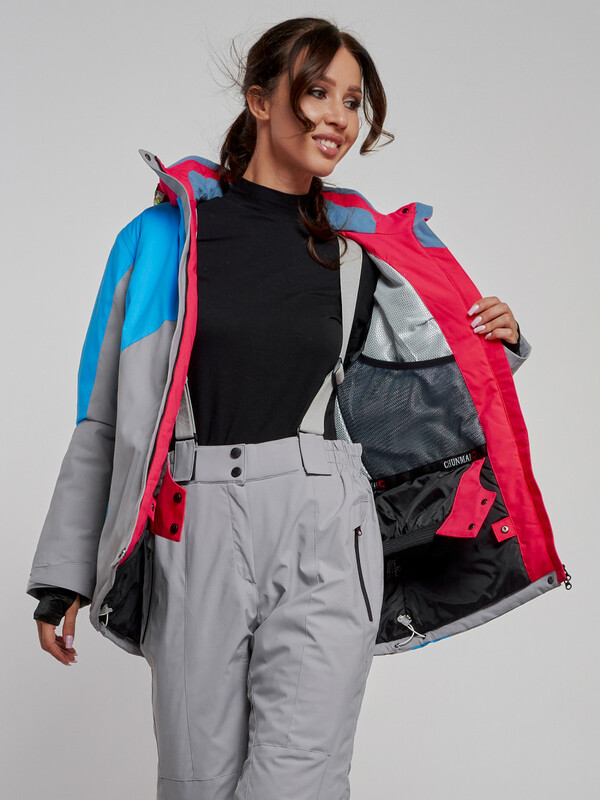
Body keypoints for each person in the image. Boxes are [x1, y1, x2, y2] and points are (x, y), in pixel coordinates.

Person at [27, 15, 567, 800]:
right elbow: (106, 417)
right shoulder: (160, 239)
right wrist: (64, 575)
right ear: (260, 100)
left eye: (353, 101)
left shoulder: (356, 250)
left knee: (299, 783)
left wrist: (498, 344)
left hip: (325, 521)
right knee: (197, 783)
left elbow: (412, 387)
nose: (339, 117)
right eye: (318, 92)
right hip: (194, 525)